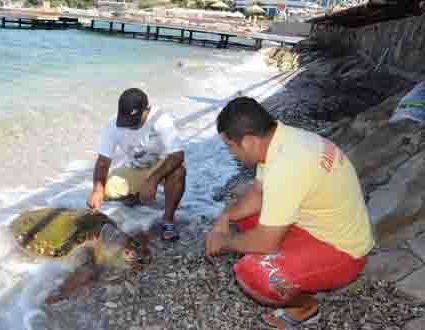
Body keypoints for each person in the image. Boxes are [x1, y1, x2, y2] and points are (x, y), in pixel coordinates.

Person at [205, 97, 374, 329]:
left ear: (249, 141)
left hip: (343, 251)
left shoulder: (286, 166)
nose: (232, 154)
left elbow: (266, 242)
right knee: (242, 214)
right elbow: (258, 194)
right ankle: (292, 263)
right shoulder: (282, 140)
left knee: (253, 275)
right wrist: (225, 217)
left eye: (231, 147)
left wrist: (224, 242)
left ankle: (305, 307)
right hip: (319, 225)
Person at [87, 88, 186, 241]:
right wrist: (97, 189)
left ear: (147, 110)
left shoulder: (161, 119)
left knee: (179, 172)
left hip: (163, 165)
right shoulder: (112, 126)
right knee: (108, 191)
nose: (129, 126)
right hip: (136, 167)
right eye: (126, 121)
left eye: (134, 122)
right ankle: (138, 197)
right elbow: (103, 161)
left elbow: (177, 155)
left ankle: (168, 220)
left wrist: (152, 181)